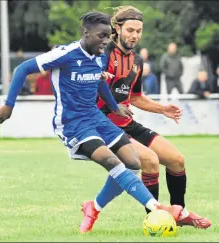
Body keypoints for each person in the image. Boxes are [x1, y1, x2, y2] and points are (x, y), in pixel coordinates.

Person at [0, 11, 183, 231]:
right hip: (72, 123)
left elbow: (99, 81)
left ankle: (94, 206)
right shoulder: (66, 54)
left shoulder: (99, 56)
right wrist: (9, 105)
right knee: (112, 162)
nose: (106, 41)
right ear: (86, 33)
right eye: (101, 36)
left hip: (96, 117)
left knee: (133, 163)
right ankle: (157, 208)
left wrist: (113, 106)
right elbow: (22, 68)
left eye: (108, 37)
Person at [80, 6, 211, 232]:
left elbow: (136, 97)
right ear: (117, 29)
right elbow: (87, 89)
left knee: (176, 159)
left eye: (139, 31)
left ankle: (179, 212)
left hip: (126, 124)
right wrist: (113, 105)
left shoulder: (137, 62)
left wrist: (162, 109)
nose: (135, 35)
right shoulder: (103, 54)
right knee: (149, 161)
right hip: (103, 124)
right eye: (130, 30)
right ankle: (156, 219)